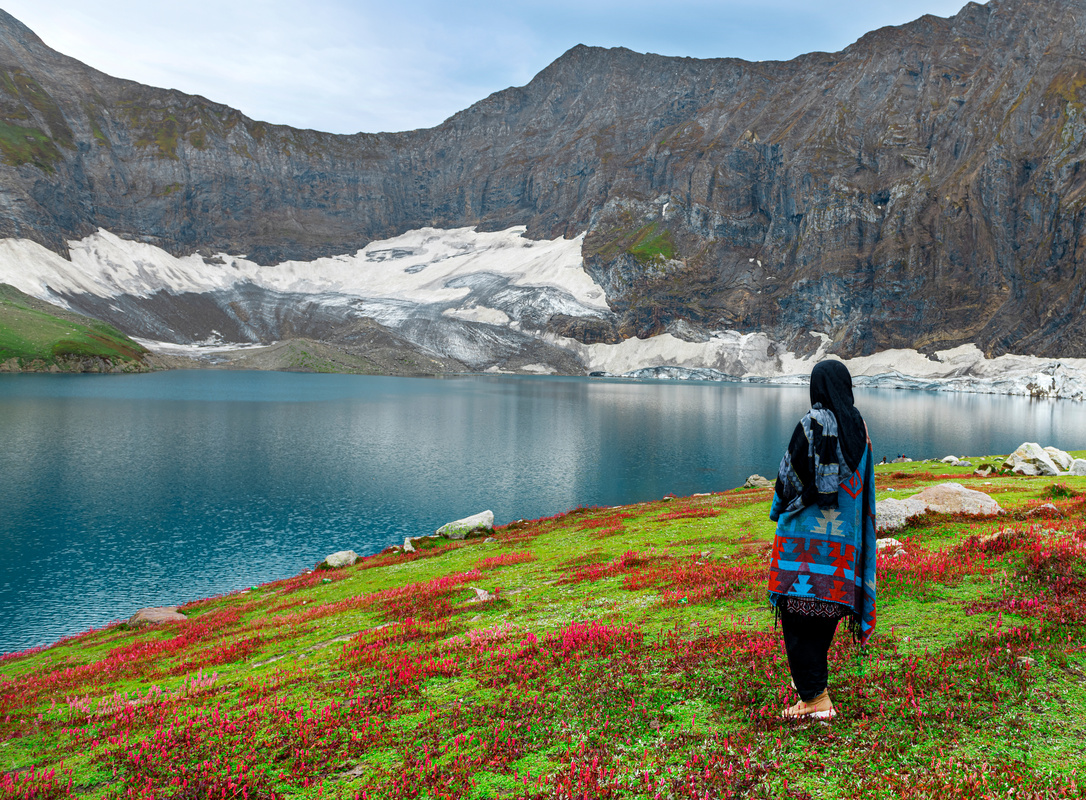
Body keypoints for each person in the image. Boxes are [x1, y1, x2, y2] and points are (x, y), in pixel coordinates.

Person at [768, 359, 876, 720]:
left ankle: (815, 700)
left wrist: (779, 507)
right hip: (842, 553)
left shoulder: (811, 425)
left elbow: (788, 478)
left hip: (802, 549)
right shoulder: (859, 430)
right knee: (822, 620)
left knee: (797, 624)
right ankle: (813, 696)